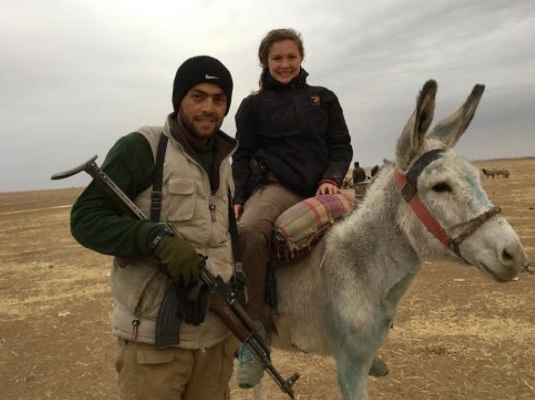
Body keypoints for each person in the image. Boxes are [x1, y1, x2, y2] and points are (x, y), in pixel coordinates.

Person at [70, 56, 238, 400]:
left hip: (214, 338)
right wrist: (153, 237)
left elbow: (225, 238)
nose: (209, 107)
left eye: (218, 99)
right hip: (152, 344)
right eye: (198, 96)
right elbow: (86, 218)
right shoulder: (144, 147)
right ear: (179, 100)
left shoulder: (225, 161)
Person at [231, 28, 353, 388]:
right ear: (265, 63)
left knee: (377, 227)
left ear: (301, 59)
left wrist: (332, 177)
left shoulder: (324, 98)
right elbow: (243, 155)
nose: (284, 64)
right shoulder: (253, 106)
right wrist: (240, 196)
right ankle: (254, 334)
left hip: (322, 188)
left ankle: (364, 331)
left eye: (291, 57)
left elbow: (341, 145)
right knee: (250, 233)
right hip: (278, 187)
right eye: (277, 58)